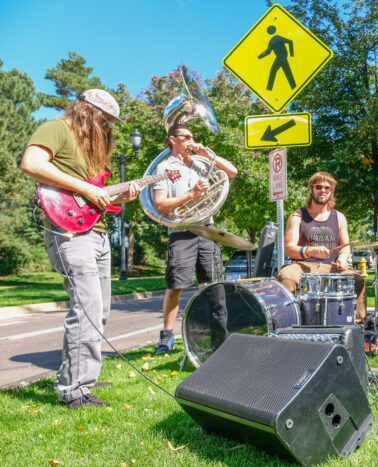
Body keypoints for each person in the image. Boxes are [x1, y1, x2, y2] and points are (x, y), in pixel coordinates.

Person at [21, 89, 140, 409]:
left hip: (98, 233)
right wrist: (85, 186)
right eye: (105, 121)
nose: (108, 129)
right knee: (85, 307)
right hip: (69, 233)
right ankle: (71, 389)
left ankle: (85, 378)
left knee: (98, 311)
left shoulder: (91, 152)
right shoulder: (56, 129)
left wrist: (119, 196)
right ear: (87, 112)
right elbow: (31, 163)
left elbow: (95, 197)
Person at [152, 123, 238, 354]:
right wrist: (192, 194)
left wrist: (209, 155)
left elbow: (232, 172)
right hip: (182, 230)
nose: (191, 140)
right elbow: (160, 204)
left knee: (214, 286)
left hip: (207, 230)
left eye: (192, 136)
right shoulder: (164, 167)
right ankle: (166, 337)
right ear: (172, 139)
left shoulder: (201, 163)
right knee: (176, 286)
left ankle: (219, 340)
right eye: (186, 137)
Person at [277, 172, 367, 324]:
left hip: (331, 266)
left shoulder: (339, 217)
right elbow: (289, 248)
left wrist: (342, 258)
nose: (323, 190)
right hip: (302, 265)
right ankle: (290, 324)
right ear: (311, 189)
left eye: (327, 187)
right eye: (318, 187)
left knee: (358, 280)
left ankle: (357, 327)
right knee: (287, 276)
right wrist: (311, 250)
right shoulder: (297, 216)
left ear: (331, 191)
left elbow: (345, 246)